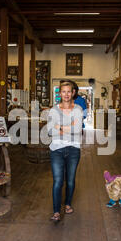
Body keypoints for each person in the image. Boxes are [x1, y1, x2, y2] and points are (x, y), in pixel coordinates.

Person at [47, 80, 83, 222]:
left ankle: (67, 204)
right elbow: (50, 131)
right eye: (64, 91)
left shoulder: (78, 110)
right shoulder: (53, 110)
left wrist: (59, 126)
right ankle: (56, 211)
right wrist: (69, 127)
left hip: (74, 149)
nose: (66, 94)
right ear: (60, 93)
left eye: (69, 91)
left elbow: (78, 130)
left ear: (73, 93)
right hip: (56, 149)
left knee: (70, 181)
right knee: (57, 181)